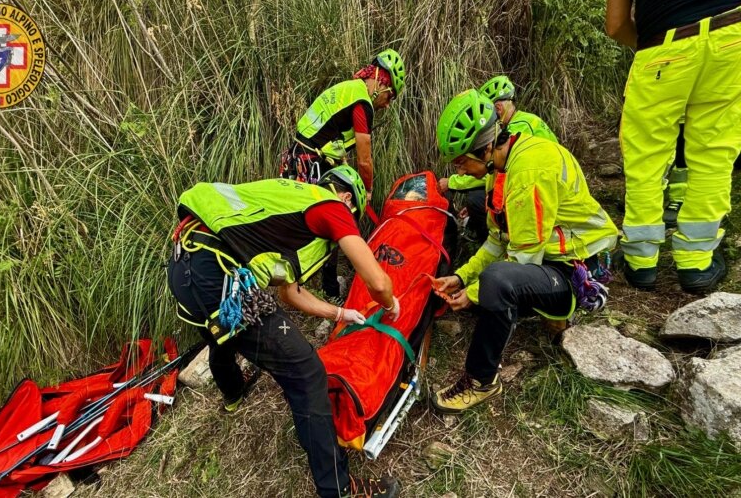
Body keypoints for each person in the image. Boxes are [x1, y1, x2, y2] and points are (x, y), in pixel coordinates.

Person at [167, 166, 401, 497]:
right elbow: (378, 283)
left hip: (184, 267)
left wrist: (340, 312)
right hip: (217, 274)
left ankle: (233, 393)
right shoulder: (331, 207)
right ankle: (339, 488)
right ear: (346, 197)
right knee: (306, 372)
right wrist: (391, 304)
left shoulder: (290, 205)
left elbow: (290, 293)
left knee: (222, 333)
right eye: (354, 215)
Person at [430, 90, 618, 413]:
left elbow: (521, 258)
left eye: (462, 162)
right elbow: (496, 241)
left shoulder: (528, 172)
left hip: (574, 267)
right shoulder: (500, 170)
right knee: (490, 284)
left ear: (486, 147)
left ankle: (480, 380)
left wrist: (474, 292)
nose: (459, 171)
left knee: (497, 282)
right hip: (549, 258)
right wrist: (461, 278)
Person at [606, 0, 741, 293]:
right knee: (715, 153)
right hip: (732, 36)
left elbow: (616, 25)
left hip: (665, 44)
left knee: (646, 160)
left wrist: (654, 49)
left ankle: (641, 262)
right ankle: (697, 262)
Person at [281, 49, 406, 303]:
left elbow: (332, 134)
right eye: (390, 95)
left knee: (304, 220)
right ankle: (326, 291)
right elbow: (365, 158)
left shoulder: (349, 89)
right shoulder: (362, 103)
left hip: (301, 157)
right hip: (311, 162)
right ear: (382, 80)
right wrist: (368, 189)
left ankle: (302, 281)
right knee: (336, 217)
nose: (388, 103)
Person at [438, 76, 558, 245]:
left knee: (476, 199)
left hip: (553, 224)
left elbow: (494, 175)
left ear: (498, 108)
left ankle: (496, 240)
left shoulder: (519, 130)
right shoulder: (519, 123)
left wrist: (452, 182)